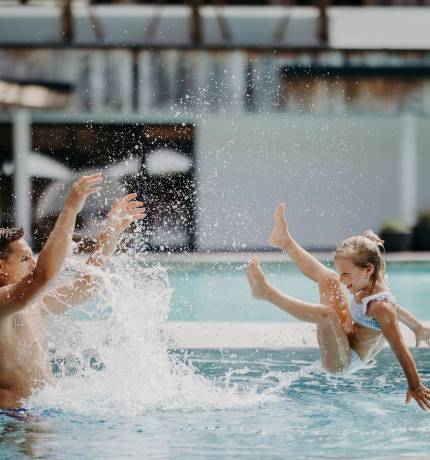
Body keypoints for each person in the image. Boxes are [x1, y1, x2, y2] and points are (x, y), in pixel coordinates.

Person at [247, 203, 430, 411]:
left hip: (343, 361)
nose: (343, 281)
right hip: (344, 335)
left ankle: (266, 293)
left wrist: (414, 385)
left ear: (367, 269)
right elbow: (396, 309)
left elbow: (400, 347)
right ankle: (284, 240)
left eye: (346, 274)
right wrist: (417, 327)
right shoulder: (371, 278)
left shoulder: (380, 306)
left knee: (326, 315)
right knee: (328, 278)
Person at [0, 173, 145, 411]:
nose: (33, 263)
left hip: (40, 409)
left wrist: (111, 232)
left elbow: (88, 285)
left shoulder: (33, 303)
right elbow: (43, 275)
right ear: (1, 266)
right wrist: (70, 209)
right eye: (25, 258)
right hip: (17, 417)